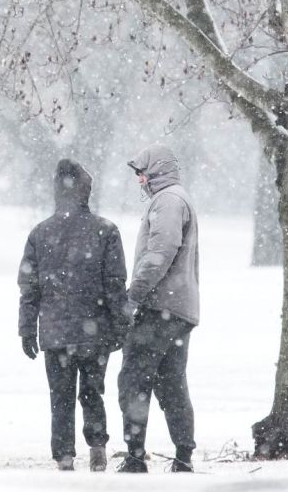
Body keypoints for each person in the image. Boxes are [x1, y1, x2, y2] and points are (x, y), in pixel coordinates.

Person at [18, 158, 129, 472]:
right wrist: (120, 322)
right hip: (94, 331)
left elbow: (29, 288)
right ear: (86, 191)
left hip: (55, 333)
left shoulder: (40, 234)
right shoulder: (105, 231)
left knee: (61, 396)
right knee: (93, 391)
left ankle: (65, 454)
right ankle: (97, 445)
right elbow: (114, 283)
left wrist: (27, 329)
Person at [116, 144, 200, 474]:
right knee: (172, 383)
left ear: (157, 172)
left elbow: (159, 254)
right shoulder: (175, 198)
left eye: (142, 174)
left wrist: (133, 295)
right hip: (180, 309)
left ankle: (135, 456)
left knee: (134, 380)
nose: (139, 181)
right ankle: (183, 455)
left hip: (159, 308)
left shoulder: (168, 201)